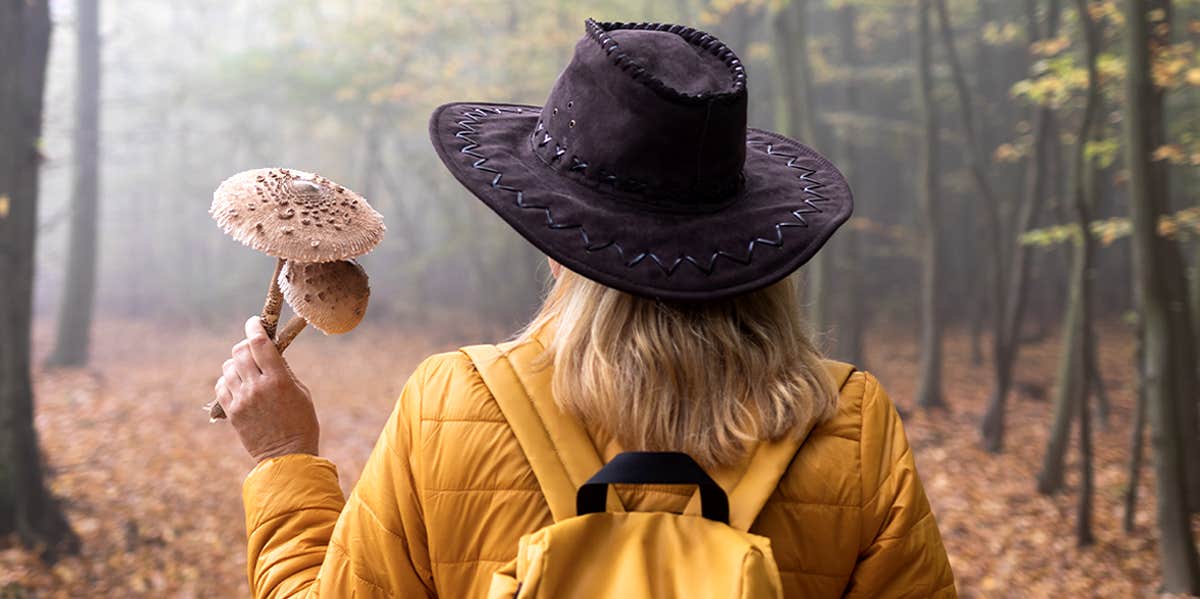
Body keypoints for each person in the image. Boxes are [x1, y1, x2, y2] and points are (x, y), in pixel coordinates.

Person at [215, 19, 956, 598]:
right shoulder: (855, 427)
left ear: (556, 235)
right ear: (752, 245)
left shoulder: (450, 403)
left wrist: (285, 458)